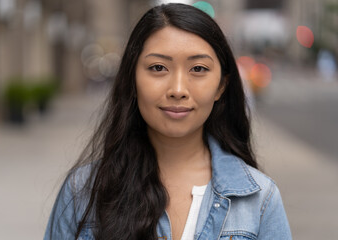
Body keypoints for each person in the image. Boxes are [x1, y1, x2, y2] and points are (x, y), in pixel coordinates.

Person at [44, 3, 291, 240]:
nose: (178, 89)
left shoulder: (260, 199)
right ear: (132, 79)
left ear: (221, 86)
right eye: (159, 67)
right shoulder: (83, 192)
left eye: (198, 69)